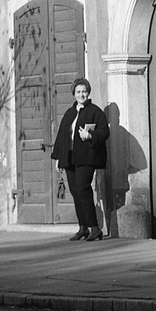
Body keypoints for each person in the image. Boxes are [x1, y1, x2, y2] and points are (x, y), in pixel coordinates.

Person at [51, 77, 110, 242]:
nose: (81, 95)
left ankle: (95, 228)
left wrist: (90, 135)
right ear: (73, 94)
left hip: (87, 157)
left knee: (83, 189)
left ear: (88, 92)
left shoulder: (95, 112)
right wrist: (59, 159)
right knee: (75, 191)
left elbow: (105, 132)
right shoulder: (70, 113)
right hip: (70, 158)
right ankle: (83, 227)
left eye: (84, 91)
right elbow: (62, 136)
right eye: (78, 92)